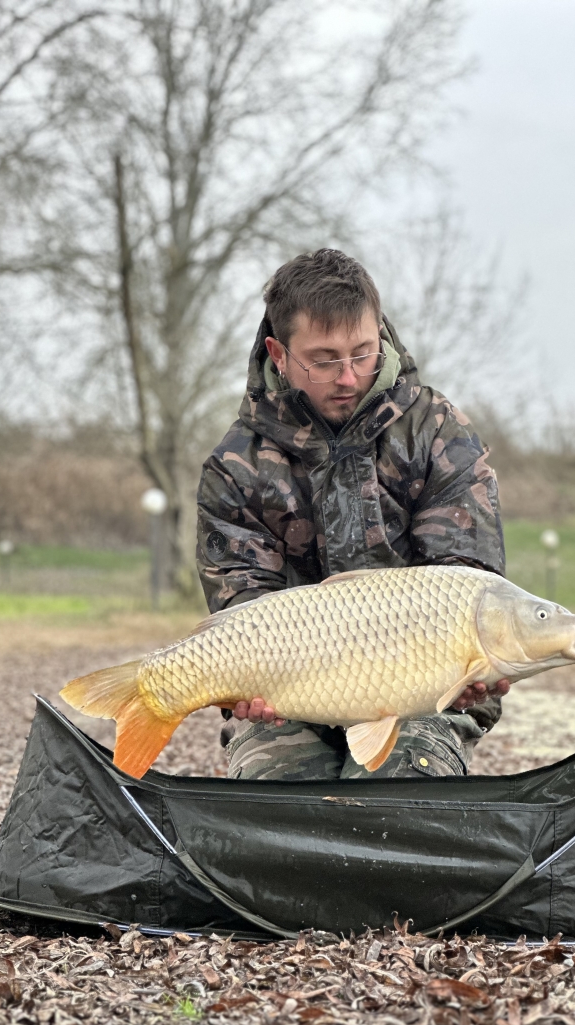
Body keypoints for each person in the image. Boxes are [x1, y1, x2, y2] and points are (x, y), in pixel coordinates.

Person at [196, 249, 508, 780]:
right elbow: (243, 608)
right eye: (324, 360)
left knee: (394, 797)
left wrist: (471, 667)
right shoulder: (234, 466)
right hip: (289, 695)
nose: (348, 377)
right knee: (288, 809)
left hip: (423, 690)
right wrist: (245, 687)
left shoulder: (438, 433)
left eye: (363, 354)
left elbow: (467, 584)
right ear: (278, 354)